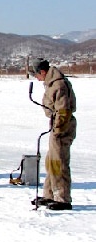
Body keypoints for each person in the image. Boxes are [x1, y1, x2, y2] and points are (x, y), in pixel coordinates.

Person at [29, 58, 76, 210]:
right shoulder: (52, 83)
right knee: (51, 161)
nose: (36, 78)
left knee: (59, 162)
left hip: (62, 126)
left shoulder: (58, 84)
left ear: (42, 72)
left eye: (36, 74)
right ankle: (50, 194)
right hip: (57, 124)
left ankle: (62, 198)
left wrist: (58, 129)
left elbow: (64, 111)